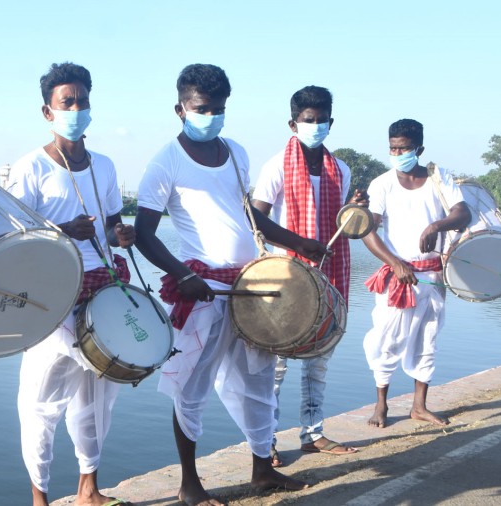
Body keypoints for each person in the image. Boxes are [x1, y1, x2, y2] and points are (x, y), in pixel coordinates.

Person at [134, 64, 328, 506]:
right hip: (202, 290)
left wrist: (297, 242)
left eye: (219, 109)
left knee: (258, 382)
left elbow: (248, 214)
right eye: (202, 109)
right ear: (180, 109)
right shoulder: (165, 161)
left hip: (249, 285)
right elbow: (144, 233)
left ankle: (263, 470)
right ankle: (190, 485)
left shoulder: (236, 152)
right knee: (191, 387)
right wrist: (184, 276)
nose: (212, 117)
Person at [7, 62, 135, 506]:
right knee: (40, 404)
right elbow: (14, 239)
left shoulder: (105, 165)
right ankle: (39, 497)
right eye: (67, 102)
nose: (77, 109)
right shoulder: (31, 168)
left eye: (83, 101)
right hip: (52, 297)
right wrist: (63, 231)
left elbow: (113, 224)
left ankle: (88, 489)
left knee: (98, 396)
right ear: (48, 112)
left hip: (101, 291)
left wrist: (121, 235)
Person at [250, 85, 366, 466]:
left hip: (327, 274)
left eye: (322, 120)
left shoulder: (340, 169)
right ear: (293, 123)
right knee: (276, 366)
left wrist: (355, 210)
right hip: (287, 277)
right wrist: (299, 244)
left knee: (319, 360)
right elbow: (255, 218)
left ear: (332, 122)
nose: (316, 126)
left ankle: (312, 434)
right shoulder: (276, 166)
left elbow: (342, 224)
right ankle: (265, 441)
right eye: (308, 120)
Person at [361, 119, 471, 428]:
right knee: (386, 338)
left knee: (427, 338)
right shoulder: (382, 184)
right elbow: (368, 229)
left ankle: (419, 406)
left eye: (404, 148)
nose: (397, 154)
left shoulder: (439, 178)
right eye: (393, 148)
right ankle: (381, 404)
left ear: (419, 149)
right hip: (397, 276)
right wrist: (395, 263)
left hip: (431, 276)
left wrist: (436, 226)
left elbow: (462, 212)